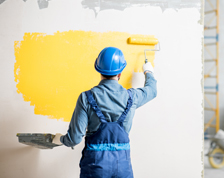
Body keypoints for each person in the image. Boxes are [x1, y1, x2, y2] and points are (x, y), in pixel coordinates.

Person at [53, 47, 157, 178]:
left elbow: (74, 138)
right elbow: (152, 91)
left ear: (98, 70)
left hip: (95, 167)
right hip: (122, 168)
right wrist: (148, 71)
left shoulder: (86, 98)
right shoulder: (132, 97)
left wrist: (60, 139)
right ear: (120, 74)